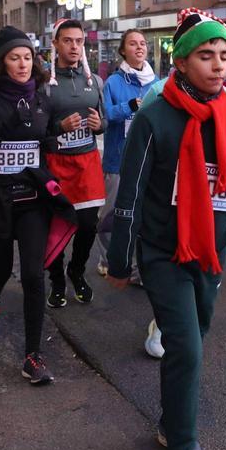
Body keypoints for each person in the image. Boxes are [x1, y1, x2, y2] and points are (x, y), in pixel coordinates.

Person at [106, 14, 226, 450]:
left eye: (223, 56)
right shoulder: (155, 118)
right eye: (204, 56)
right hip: (163, 254)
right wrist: (120, 260)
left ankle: (172, 422)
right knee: (187, 350)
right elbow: (128, 194)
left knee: (193, 342)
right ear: (182, 60)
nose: (217, 66)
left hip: (210, 256)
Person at [0, 26, 61, 384]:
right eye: (14, 58)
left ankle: (32, 357)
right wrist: (0, 133)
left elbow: (44, 142)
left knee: (35, 275)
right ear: (2, 63)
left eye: (27, 57)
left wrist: (58, 137)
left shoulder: (41, 100)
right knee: (0, 271)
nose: (22, 64)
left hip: (32, 198)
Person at [43, 18, 106, 308]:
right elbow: (35, 130)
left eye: (79, 41)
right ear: (55, 44)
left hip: (88, 164)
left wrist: (98, 124)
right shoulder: (43, 81)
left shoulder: (95, 80)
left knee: (88, 226)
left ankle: (76, 272)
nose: (74, 46)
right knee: (55, 227)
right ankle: (56, 279)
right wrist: (58, 128)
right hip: (56, 163)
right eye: (67, 40)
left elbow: (103, 122)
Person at [96, 28, 157, 288]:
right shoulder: (113, 82)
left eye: (142, 43)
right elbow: (106, 116)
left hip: (148, 161)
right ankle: (109, 261)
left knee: (144, 216)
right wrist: (131, 106)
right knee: (111, 216)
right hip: (117, 160)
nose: (139, 47)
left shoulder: (156, 81)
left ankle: (137, 268)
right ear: (123, 50)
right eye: (133, 44)